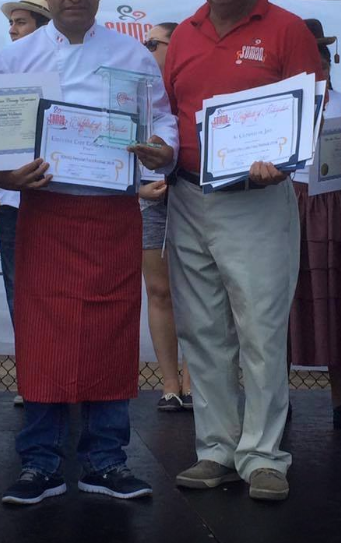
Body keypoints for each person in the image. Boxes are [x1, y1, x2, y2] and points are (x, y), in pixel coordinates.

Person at [0, 0, 179, 505]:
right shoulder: (17, 60)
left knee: (110, 331)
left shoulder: (134, 58)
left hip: (110, 212)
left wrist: (160, 150)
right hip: (41, 214)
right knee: (42, 334)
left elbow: (162, 122)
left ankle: (106, 460)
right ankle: (40, 462)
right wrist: (4, 174)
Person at [164, 0, 323, 501]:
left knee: (259, 330)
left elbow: (307, 109)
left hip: (256, 201)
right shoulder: (184, 33)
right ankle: (217, 450)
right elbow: (169, 114)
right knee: (203, 333)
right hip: (186, 197)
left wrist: (280, 159)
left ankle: (264, 457)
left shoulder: (284, 30)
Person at [0, 0, 52, 407]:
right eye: (11, 22)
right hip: (15, 203)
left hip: (60, 198)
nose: (13, 30)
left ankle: (63, 377)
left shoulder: (66, 73)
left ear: (43, 28)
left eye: (21, 21)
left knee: (60, 291)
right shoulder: (6, 67)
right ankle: (31, 379)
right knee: (19, 290)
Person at [290, 19, 341, 430]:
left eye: (321, 58)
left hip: (338, 207)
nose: (316, 66)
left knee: (337, 302)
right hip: (287, 205)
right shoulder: (282, 107)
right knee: (281, 304)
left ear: (329, 63)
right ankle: (277, 401)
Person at [142, 23, 192, 412]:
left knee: (197, 294)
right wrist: (140, 187)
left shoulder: (190, 88)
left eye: (153, 43)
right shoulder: (137, 92)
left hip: (192, 198)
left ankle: (195, 382)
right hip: (150, 199)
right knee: (159, 291)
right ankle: (170, 385)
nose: (146, 48)